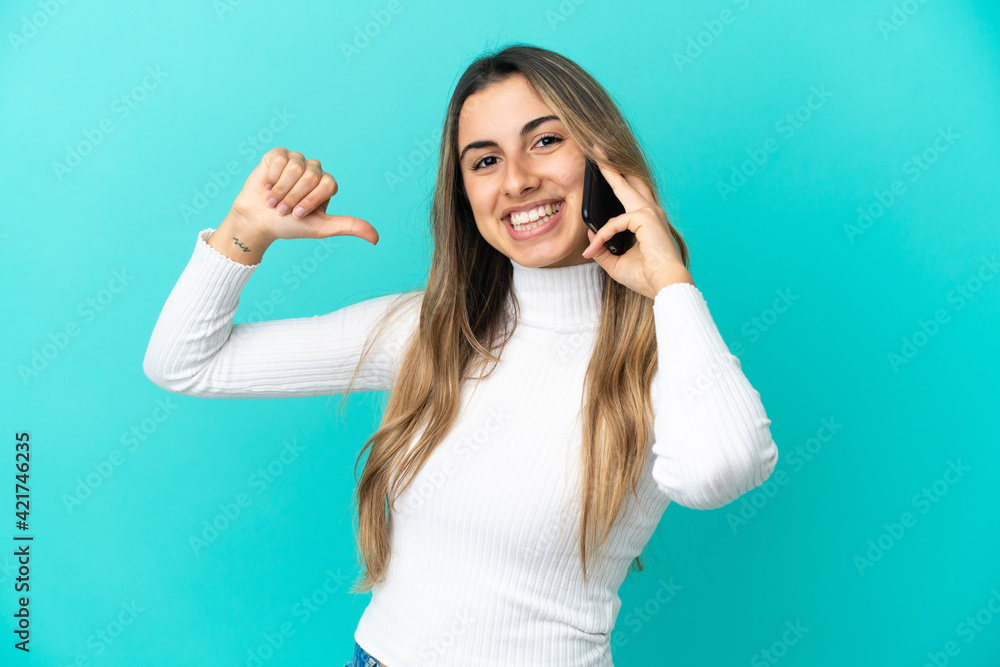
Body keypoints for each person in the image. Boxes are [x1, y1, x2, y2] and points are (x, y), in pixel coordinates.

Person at [143, 43, 779, 667]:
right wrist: (244, 231)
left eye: (547, 141)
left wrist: (669, 282)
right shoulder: (431, 331)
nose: (518, 180)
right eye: (484, 161)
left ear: (604, 159)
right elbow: (183, 363)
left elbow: (720, 472)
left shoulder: (666, 352)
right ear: (465, 194)